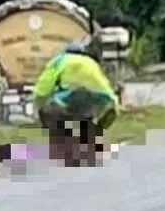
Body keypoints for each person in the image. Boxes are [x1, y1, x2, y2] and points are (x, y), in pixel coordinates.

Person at [32, 37, 119, 167]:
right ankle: (92, 138)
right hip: (98, 101)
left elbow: (42, 90)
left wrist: (37, 109)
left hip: (71, 99)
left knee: (49, 111)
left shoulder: (60, 60)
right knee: (87, 115)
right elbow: (107, 90)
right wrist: (113, 107)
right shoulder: (91, 63)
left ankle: (62, 143)